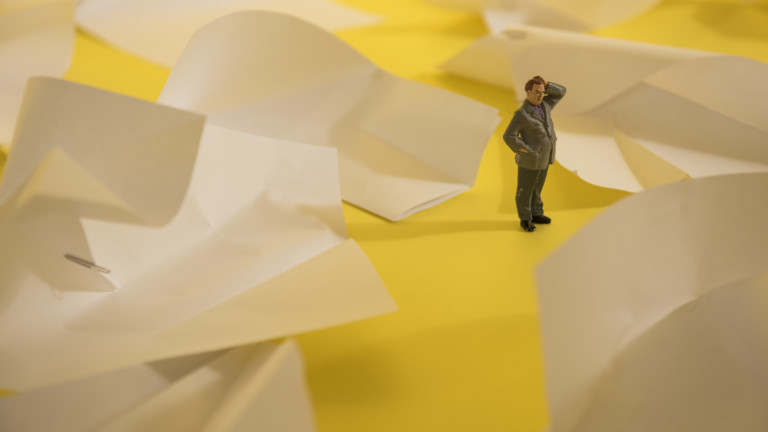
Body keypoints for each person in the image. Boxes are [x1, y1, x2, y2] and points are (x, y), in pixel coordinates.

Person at [503, 76, 566, 232]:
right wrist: (524, 148)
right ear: (528, 92)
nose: (540, 95)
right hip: (530, 159)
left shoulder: (545, 105)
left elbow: (561, 92)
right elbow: (508, 135)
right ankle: (525, 218)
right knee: (525, 190)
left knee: (537, 188)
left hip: (545, 156)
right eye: (536, 92)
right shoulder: (522, 114)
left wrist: (548, 85)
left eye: (542, 92)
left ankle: (536, 213)